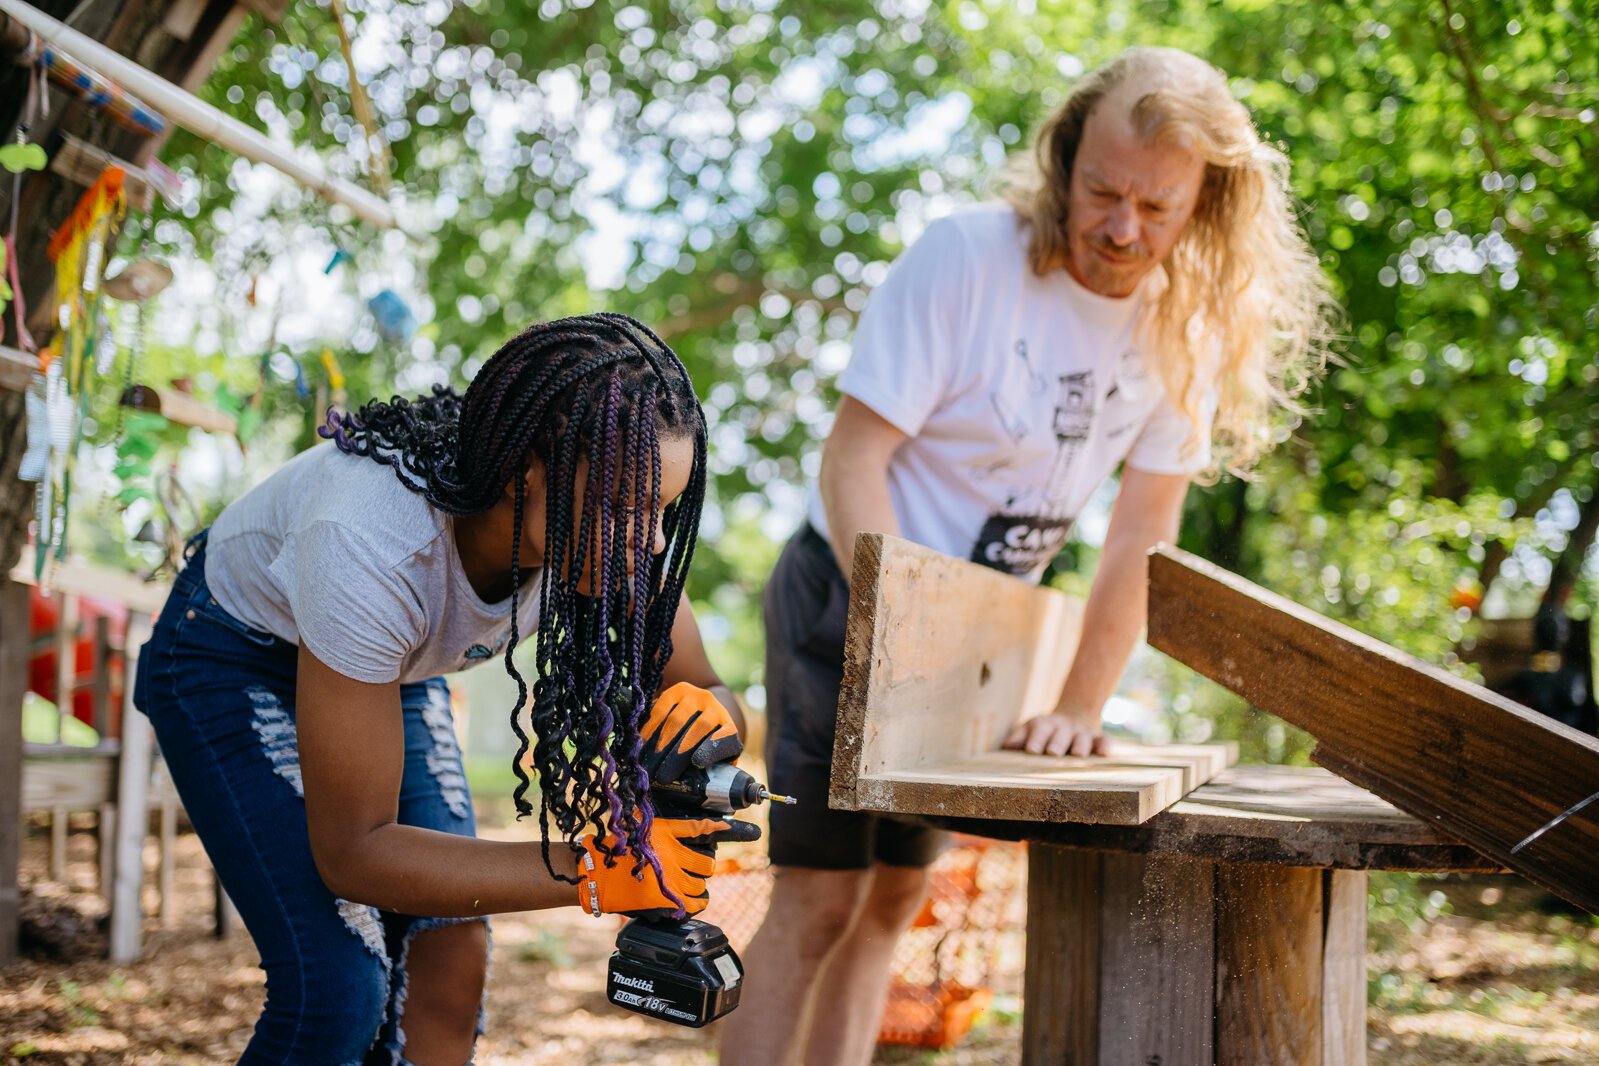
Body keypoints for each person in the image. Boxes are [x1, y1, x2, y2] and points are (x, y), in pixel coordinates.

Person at [722, 46, 1338, 1066]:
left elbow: (1144, 537)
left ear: (1209, 204)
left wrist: (1080, 706)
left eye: (1158, 207)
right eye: (1102, 191)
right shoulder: (964, 258)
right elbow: (852, 460)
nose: (1122, 228)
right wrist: (899, 625)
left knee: (893, 901)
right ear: (1064, 161)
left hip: (979, 631)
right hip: (848, 595)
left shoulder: (1182, 328)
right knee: (823, 897)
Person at [134, 313, 748, 1065]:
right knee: (338, 987)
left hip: (390, 666)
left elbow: (706, 683)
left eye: (664, 508)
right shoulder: (371, 539)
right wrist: (591, 870)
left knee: (452, 955)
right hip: (234, 653)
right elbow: (356, 853)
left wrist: (710, 717)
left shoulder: (618, 540)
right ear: (526, 473)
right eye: (627, 507)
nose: (651, 541)